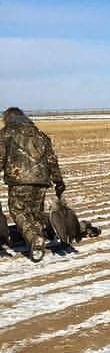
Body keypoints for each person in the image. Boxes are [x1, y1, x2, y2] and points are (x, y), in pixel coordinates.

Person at [1, 107, 65, 262]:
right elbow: (52, 160)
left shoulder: (5, 133)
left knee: (18, 211)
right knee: (34, 213)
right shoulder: (40, 135)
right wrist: (58, 181)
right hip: (42, 180)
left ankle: (34, 239)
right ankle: (40, 237)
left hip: (19, 180)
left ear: (7, 118)